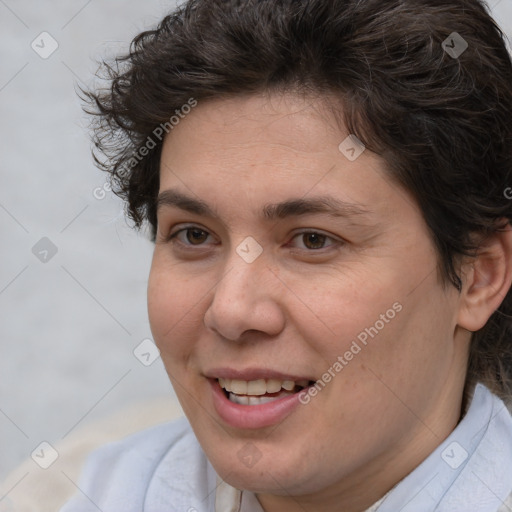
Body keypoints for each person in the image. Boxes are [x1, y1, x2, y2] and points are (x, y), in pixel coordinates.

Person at [60, 0, 512, 510]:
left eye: (313, 240)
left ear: (478, 276)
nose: (230, 311)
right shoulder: (87, 490)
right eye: (193, 235)